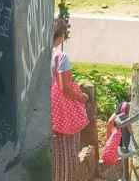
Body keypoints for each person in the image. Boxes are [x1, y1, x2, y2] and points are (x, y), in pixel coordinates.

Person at [52, 17, 89, 181]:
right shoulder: (61, 56)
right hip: (63, 112)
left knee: (55, 154)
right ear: (61, 36)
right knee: (68, 154)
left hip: (49, 110)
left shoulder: (40, 53)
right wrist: (82, 97)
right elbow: (64, 88)